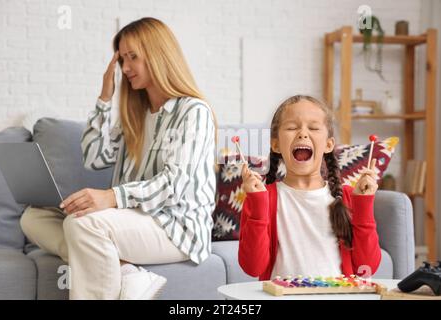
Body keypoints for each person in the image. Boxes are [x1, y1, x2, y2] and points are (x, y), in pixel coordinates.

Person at [20, 17, 217, 300]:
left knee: (83, 224)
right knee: (33, 217)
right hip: (132, 220)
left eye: (132, 57)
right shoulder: (135, 114)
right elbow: (93, 157)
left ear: (158, 55)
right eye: (122, 59)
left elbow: (174, 184)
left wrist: (111, 197)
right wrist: (104, 97)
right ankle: (126, 271)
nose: (125, 68)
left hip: (176, 227)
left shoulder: (192, 112)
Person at [238, 95, 381, 280]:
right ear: (276, 144)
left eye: (313, 128)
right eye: (291, 127)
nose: (303, 134)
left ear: (329, 144)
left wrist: (363, 205)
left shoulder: (347, 197)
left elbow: (367, 267)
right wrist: (257, 205)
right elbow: (253, 268)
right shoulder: (263, 198)